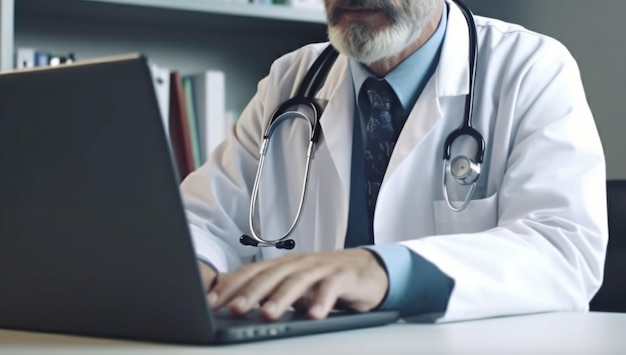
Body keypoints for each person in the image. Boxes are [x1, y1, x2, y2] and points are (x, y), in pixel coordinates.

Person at [181, 0, 608, 323]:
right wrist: (187, 272)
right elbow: (203, 221)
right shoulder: (291, 79)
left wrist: (382, 270)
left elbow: (564, 254)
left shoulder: (531, 68)